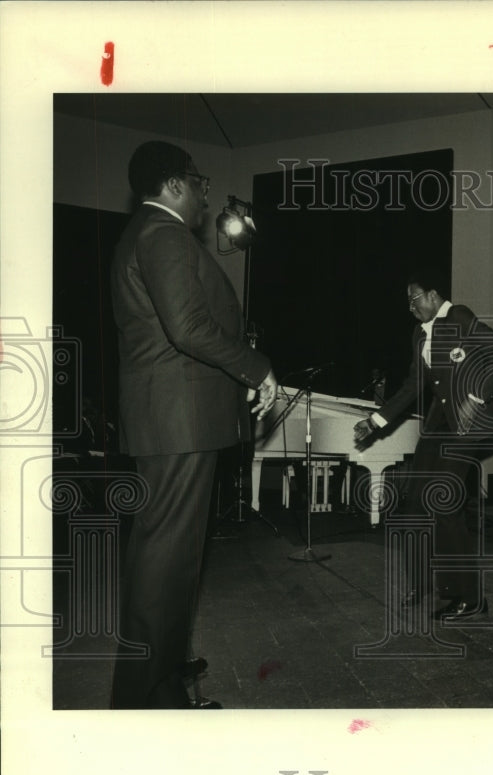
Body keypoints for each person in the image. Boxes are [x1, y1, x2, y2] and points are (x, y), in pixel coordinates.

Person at [110, 141, 277, 709]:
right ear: (177, 185)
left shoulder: (147, 234)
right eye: (200, 183)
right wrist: (256, 368)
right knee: (165, 560)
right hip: (177, 422)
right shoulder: (164, 236)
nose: (207, 195)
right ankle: (148, 698)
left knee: (172, 557)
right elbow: (187, 329)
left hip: (174, 421)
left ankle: (164, 672)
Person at [353, 273, 493, 621]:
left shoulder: (458, 317)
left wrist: (477, 395)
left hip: (466, 427)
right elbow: (413, 386)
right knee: (414, 501)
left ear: (433, 294)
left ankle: (470, 597)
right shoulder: (419, 334)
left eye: (414, 299)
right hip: (439, 425)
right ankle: (426, 581)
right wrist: (376, 421)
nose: (410, 307)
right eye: (407, 303)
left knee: (445, 504)